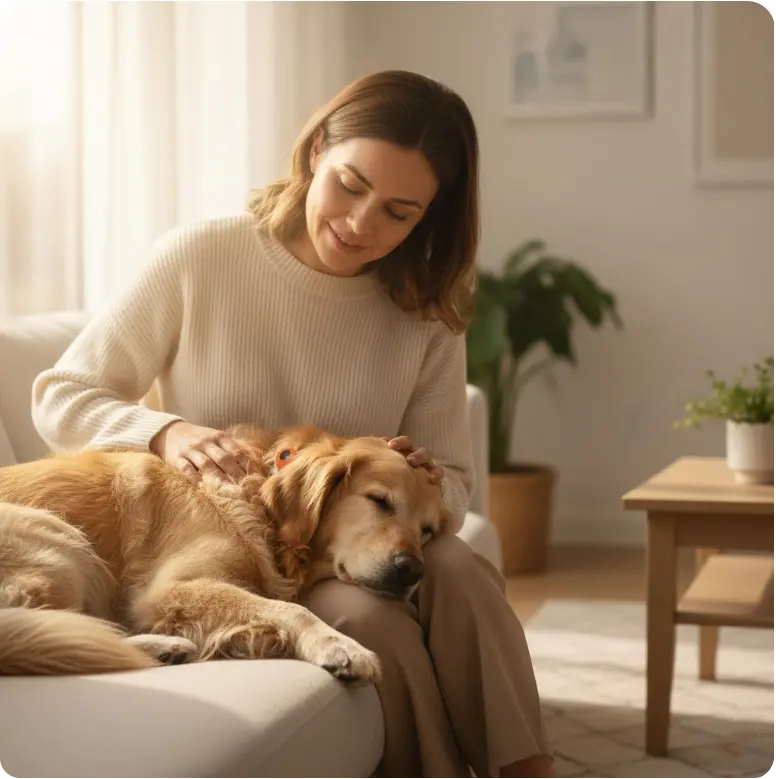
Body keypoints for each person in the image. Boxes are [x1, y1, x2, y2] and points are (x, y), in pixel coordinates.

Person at [31, 70, 554, 779]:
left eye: (399, 212)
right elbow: (63, 394)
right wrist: (164, 431)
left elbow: (457, 481)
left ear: (429, 217)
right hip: (245, 544)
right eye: (350, 184)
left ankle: (530, 769)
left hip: (364, 535)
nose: (360, 223)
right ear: (315, 152)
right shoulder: (201, 257)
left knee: (459, 569)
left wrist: (429, 482)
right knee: (371, 620)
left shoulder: (426, 308)